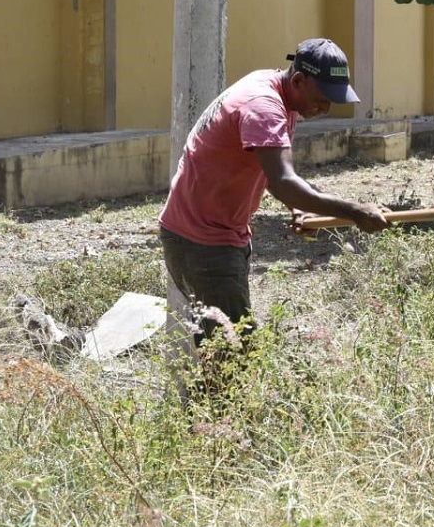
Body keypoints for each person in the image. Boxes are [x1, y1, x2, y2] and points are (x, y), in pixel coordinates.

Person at [159, 38, 390, 345]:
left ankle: (208, 394)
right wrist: (355, 211)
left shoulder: (282, 95)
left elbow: (271, 171)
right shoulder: (263, 106)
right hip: (203, 243)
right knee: (234, 353)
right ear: (298, 80)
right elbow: (283, 182)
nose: (326, 108)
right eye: (323, 98)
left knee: (221, 350)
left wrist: (299, 207)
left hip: (204, 234)